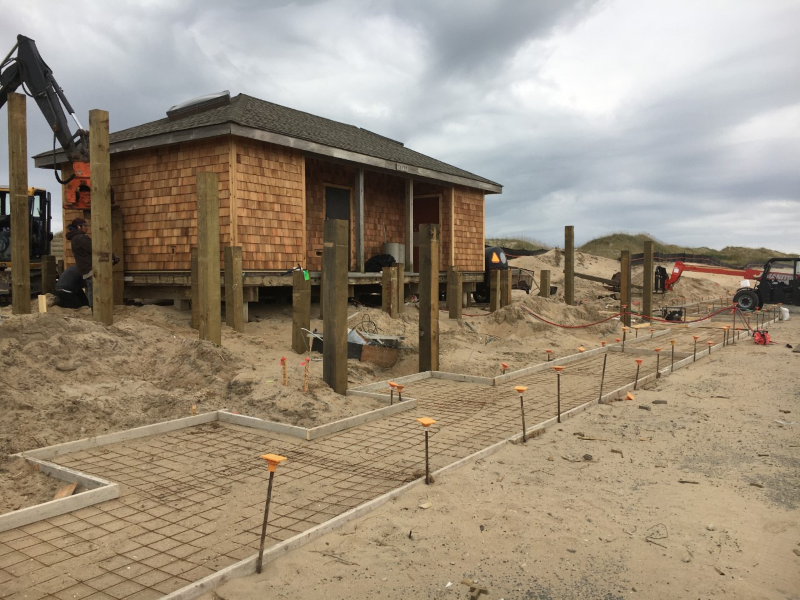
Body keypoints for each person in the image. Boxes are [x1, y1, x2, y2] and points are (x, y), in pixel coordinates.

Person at [65, 218, 94, 307]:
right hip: (90, 268)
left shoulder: (75, 238)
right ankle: (95, 310)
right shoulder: (81, 238)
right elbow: (95, 250)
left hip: (85, 268)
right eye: (85, 226)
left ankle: (93, 309)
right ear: (79, 227)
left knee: (91, 290)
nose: (87, 228)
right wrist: (112, 256)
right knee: (94, 292)